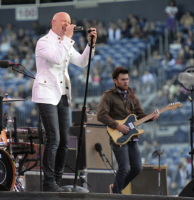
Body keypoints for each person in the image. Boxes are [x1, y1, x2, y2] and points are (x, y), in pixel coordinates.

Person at [32, 12, 97, 192]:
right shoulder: (44, 42)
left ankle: (56, 181)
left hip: (62, 95)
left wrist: (91, 45)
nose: (67, 25)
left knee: (65, 140)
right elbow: (57, 58)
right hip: (46, 94)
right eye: (64, 22)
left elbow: (82, 62)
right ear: (53, 22)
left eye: (69, 22)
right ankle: (48, 183)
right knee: (54, 138)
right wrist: (68, 38)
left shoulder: (65, 43)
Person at [96, 66, 159, 194]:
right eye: (123, 79)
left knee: (137, 168)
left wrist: (151, 117)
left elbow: (140, 115)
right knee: (123, 168)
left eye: (127, 79)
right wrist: (117, 125)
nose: (126, 81)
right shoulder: (108, 96)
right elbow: (101, 115)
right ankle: (116, 195)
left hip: (132, 137)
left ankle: (115, 189)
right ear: (115, 81)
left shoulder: (132, 96)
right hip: (118, 136)